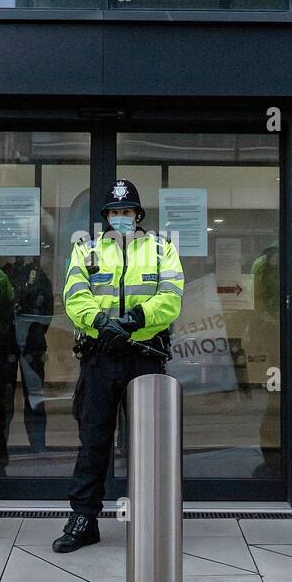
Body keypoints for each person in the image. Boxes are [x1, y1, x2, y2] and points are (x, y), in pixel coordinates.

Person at [53, 179, 184, 553]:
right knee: (93, 440)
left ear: (138, 215)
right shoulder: (88, 250)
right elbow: (74, 296)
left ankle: (152, 520)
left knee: (149, 445)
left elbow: (170, 299)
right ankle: (83, 519)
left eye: (127, 212)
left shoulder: (161, 250)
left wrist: (130, 321)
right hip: (101, 357)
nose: (121, 218)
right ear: (106, 217)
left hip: (144, 356)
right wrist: (101, 324)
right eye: (114, 212)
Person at [0, 257, 52, 472]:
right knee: (3, 399)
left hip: (31, 344)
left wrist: (36, 333)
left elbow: (47, 310)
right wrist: (1, 332)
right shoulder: (0, 275)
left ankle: (38, 446)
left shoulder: (38, 275)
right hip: (5, 343)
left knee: (34, 396)